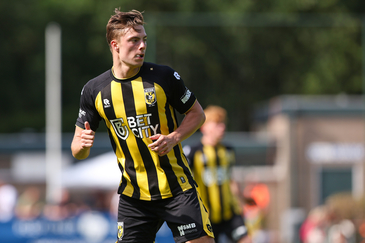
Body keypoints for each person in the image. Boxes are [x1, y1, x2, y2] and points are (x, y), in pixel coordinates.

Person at [71, 9, 214, 243]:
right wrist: (83, 146)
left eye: (144, 40)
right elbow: (77, 150)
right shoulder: (94, 90)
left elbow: (197, 114)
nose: (142, 46)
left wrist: (174, 137)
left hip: (177, 189)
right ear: (115, 45)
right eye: (134, 41)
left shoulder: (163, 76)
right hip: (133, 196)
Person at [184, 105, 250, 243]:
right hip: (206, 216)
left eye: (223, 123)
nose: (222, 127)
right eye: (217, 124)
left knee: (246, 240)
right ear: (204, 127)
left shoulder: (228, 150)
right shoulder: (193, 152)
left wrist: (243, 198)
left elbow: (230, 179)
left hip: (230, 214)